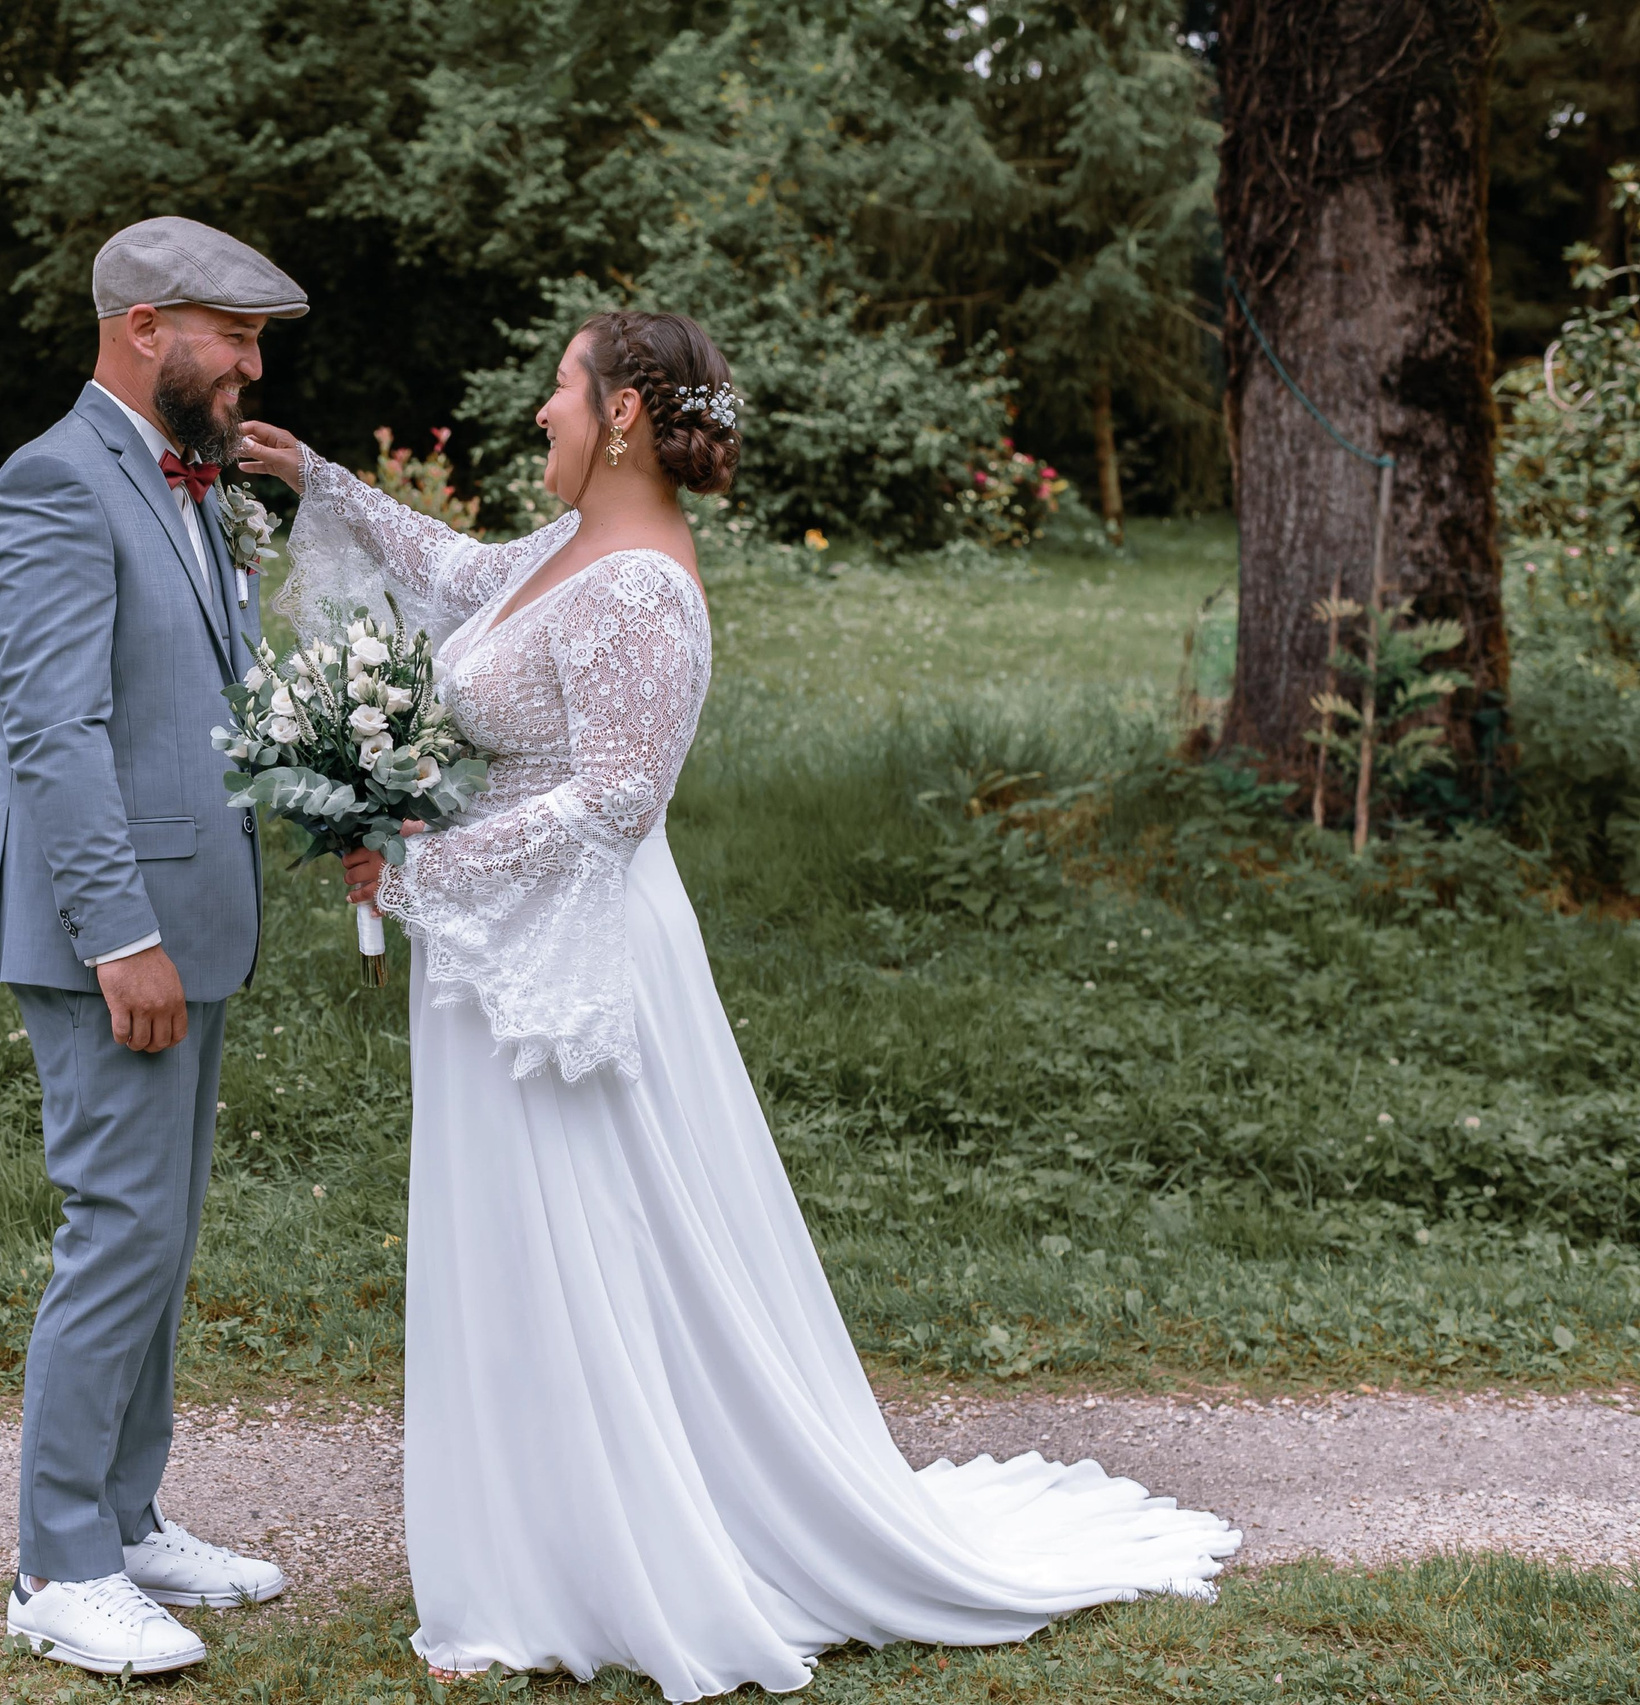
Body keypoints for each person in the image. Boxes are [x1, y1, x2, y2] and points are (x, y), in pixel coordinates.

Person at [233, 310, 1239, 1699]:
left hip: (575, 954)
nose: (542, 413)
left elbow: (619, 801)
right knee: (519, 1240)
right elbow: (462, 572)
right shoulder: (567, 549)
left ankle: (628, 1546)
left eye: (560, 390)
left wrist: (418, 863)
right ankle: (543, 1536)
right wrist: (321, 483)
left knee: (600, 1235)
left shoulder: (644, 586)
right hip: (499, 944)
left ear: (626, 412)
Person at [0, 216, 296, 1676]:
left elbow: (201, 703)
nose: (251, 365)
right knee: (116, 1236)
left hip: (196, 925)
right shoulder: (52, 482)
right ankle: (58, 1564)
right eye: (236, 335)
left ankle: (129, 1513)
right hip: (121, 940)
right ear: (147, 325)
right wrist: (121, 936)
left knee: (159, 1242)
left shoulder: (194, 484)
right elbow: (54, 733)